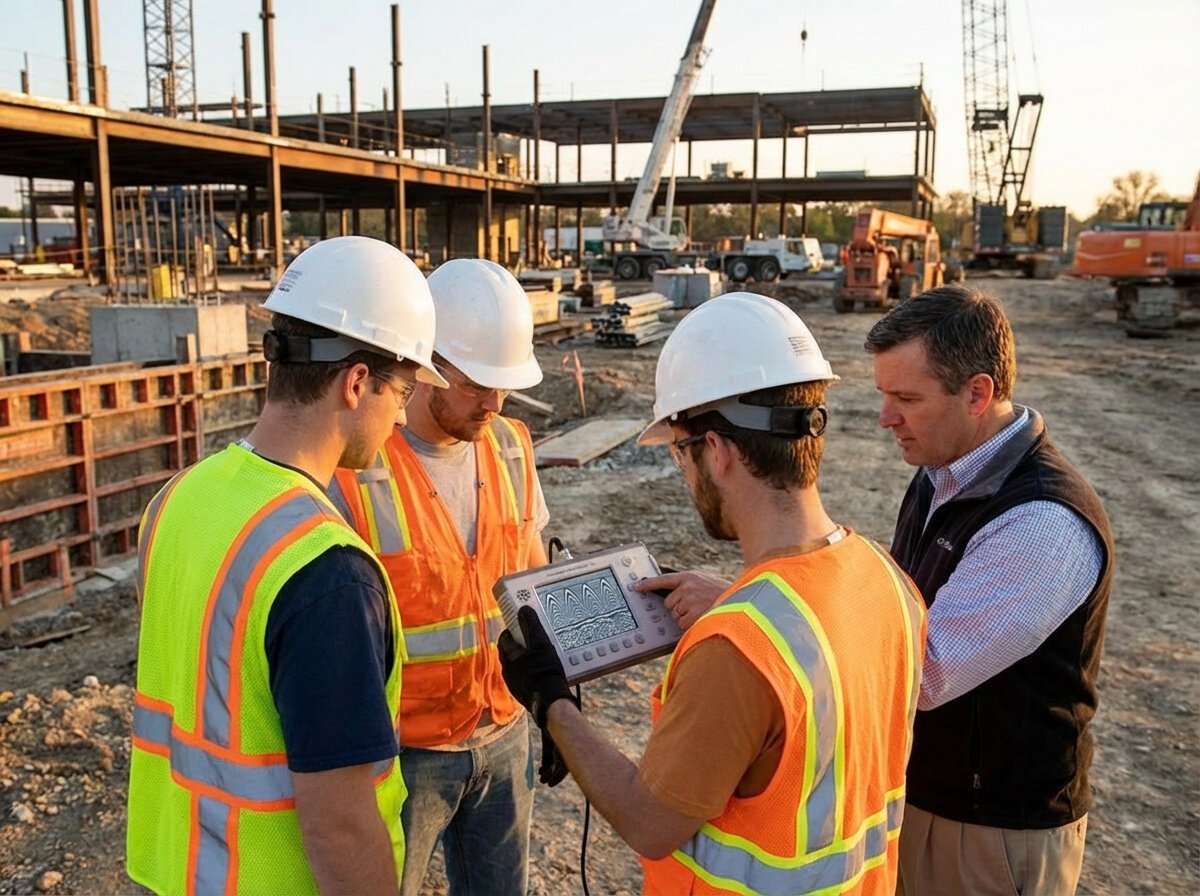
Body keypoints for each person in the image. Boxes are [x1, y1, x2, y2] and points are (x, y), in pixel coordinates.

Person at [498, 292, 927, 895]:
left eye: (680, 451)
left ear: (718, 450)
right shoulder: (885, 578)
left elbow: (650, 822)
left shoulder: (738, 649)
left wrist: (551, 703)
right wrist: (738, 600)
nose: (684, 470)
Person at [126, 236, 448, 895]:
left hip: (170, 872)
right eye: (405, 389)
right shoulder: (325, 568)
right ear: (357, 383)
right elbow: (341, 825)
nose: (401, 416)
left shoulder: (180, 497)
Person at [864, 284, 1114, 896]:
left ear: (977, 393)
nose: (885, 417)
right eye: (883, 395)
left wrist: (770, 617)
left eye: (906, 398)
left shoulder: (1044, 522)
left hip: (993, 831)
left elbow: (923, 673)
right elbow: (902, 605)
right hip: (926, 795)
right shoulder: (941, 472)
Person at [330, 258, 549, 896]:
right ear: (427, 364)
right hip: (404, 753)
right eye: (479, 382)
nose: (495, 401)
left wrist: (555, 684)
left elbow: (530, 568)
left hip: (505, 729)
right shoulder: (357, 466)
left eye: (504, 384)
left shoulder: (511, 443)